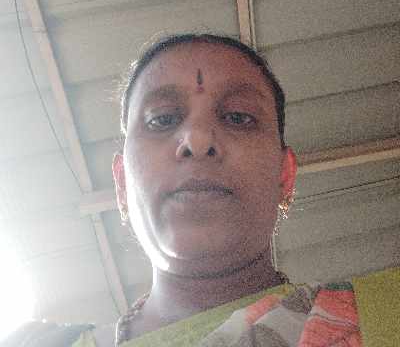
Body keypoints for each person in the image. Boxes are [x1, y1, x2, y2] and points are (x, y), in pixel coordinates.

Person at [4, 33, 399, 347]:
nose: (197, 139)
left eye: (238, 117)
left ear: (285, 174)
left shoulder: (388, 315)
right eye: (162, 119)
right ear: (122, 183)